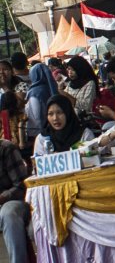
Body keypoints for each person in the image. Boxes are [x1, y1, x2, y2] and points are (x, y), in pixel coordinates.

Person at [0, 135, 29, 263]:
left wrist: (2, 197)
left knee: (8, 212)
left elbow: (22, 186)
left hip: (13, 201)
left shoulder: (6, 148)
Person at [60, 55, 99, 120]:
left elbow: (86, 106)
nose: (70, 72)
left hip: (84, 120)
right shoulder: (71, 83)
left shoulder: (89, 83)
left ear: (80, 69)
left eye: (73, 70)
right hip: (70, 118)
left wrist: (66, 95)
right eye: (69, 69)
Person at [24, 63, 56, 140]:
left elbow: (37, 116)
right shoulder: (50, 87)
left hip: (37, 132)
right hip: (51, 128)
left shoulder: (35, 92)